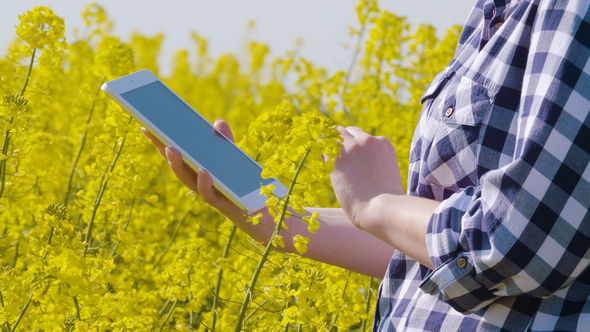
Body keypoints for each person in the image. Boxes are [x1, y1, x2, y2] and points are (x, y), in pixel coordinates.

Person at [144, 0, 590, 330]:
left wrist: (377, 203)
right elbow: (435, 257)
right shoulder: (495, 13)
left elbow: (516, 247)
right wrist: (269, 217)